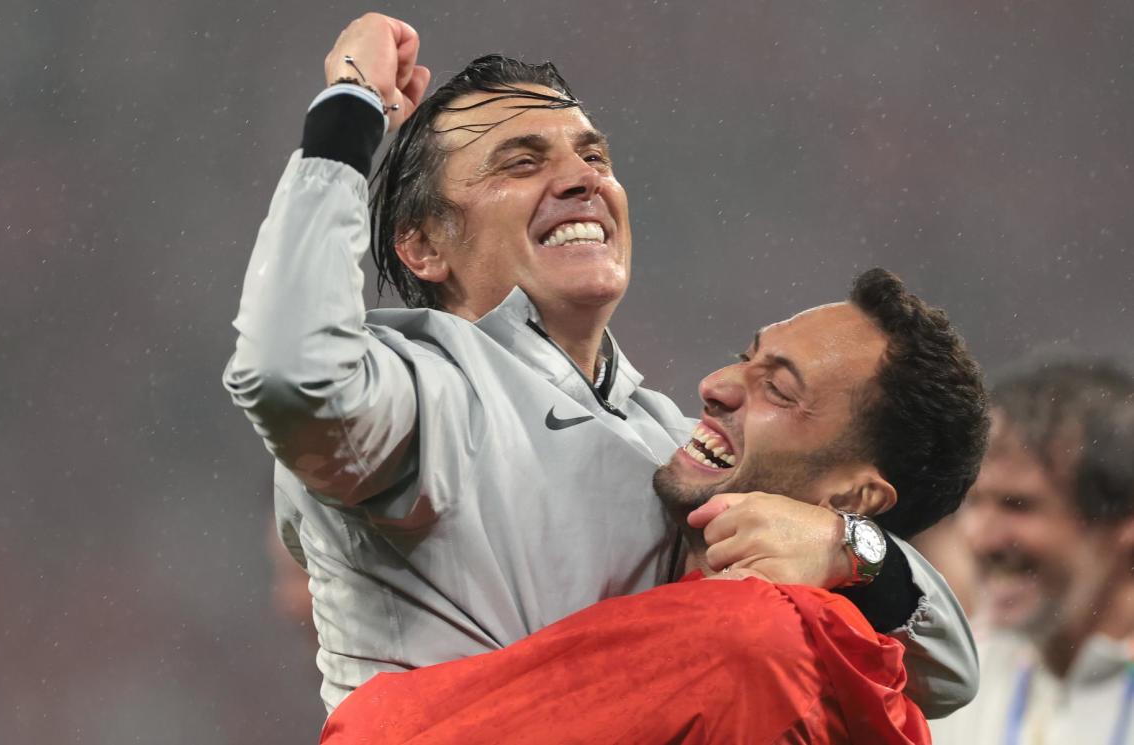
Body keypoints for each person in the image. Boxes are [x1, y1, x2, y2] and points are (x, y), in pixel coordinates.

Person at [223, 12, 978, 715]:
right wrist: (350, 108)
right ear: (424, 245)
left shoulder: (669, 444)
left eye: (593, 154)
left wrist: (853, 547)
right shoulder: (416, 396)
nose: (582, 177)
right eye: (520, 161)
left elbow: (946, 677)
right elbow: (292, 373)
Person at [320, 268, 987, 744]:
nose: (717, 385)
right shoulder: (882, 698)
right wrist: (854, 546)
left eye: (778, 390)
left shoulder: (751, 642)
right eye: (742, 358)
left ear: (856, 496)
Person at [931, 360, 1134, 745]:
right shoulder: (946, 687)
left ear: (1124, 522)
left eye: (1017, 505)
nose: (979, 539)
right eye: (972, 502)